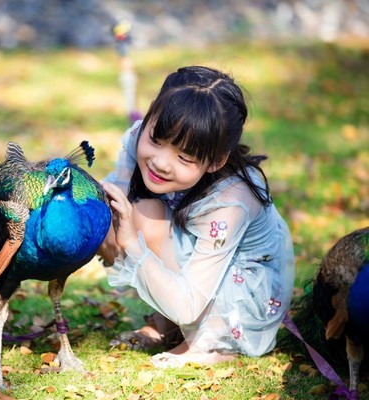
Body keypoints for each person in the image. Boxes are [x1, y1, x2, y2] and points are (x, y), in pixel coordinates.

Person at [98, 65, 295, 368]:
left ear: (216, 160)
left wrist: (133, 246)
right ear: (150, 118)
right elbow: (115, 200)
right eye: (156, 140)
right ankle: (166, 323)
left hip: (241, 289)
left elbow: (188, 304)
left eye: (185, 157)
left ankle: (209, 343)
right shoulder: (140, 138)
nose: (161, 162)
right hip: (190, 261)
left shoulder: (232, 201)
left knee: (142, 222)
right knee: (112, 216)